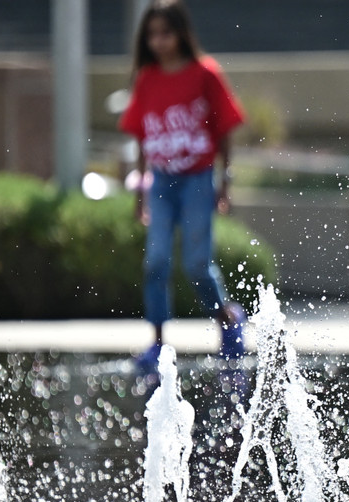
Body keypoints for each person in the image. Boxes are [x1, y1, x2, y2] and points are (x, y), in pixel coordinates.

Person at [119, 0, 247, 373]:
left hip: (197, 179)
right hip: (160, 182)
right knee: (155, 261)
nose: (159, 41)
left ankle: (227, 320)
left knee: (196, 264)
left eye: (166, 33)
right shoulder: (147, 78)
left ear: (181, 34)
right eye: (152, 34)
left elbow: (224, 130)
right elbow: (142, 138)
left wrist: (226, 180)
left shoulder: (205, 74)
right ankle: (158, 343)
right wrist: (140, 190)